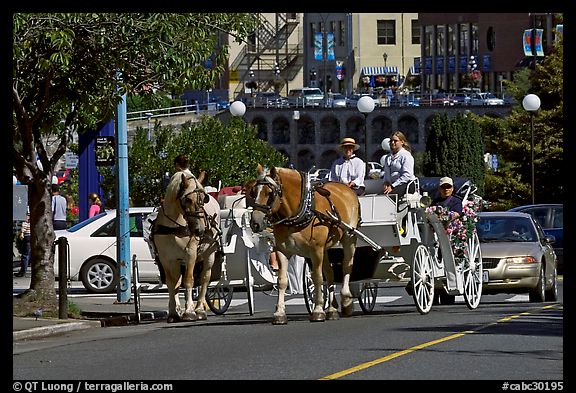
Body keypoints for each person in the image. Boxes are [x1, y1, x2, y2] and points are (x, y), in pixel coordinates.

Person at [381, 131, 416, 196]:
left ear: (402, 142)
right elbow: (386, 173)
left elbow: (407, 175)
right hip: (392, 186)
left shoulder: (406, 155)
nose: (392, 143)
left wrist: (393, 186)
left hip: (405, 186)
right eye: (391, 141)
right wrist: (386, 182)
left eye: (395, 141)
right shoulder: (388, 157)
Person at [15, 212, 31, 277]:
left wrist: (22, 232)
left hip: (27, 235)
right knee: (29, 254)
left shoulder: (27, 215)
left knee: (25, 255)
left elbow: (25, 223)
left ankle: (23, 271)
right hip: (33, 236)